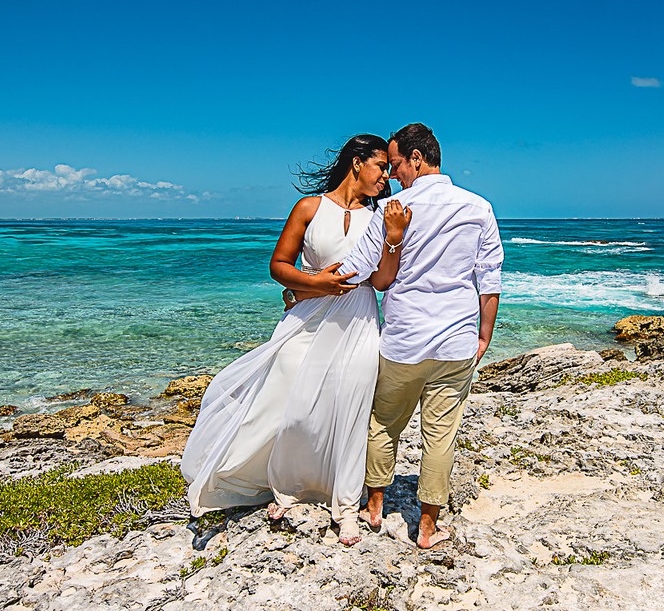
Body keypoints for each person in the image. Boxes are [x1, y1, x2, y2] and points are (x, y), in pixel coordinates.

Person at [181, 134, 395, 545]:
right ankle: (289, 484)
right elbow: (279, 265)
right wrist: (315, 285)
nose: (387, 176)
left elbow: (383, 280)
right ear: (357, 163)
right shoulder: (309, 208)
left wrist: (393, 237)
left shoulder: (382, 216)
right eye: (381, 167)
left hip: (359, 317)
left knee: (349, 406)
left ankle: (345, 504)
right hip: (307, 316)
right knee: (289, 401)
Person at [338, 123, 503, 549]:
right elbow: (489, 278)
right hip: (456, 340)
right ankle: (427, 528)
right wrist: (483, 336)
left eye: (395, 164)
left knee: (383, 423)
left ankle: (375, 507)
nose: (392, 174)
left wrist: (305, 286)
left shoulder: (391, 208)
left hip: (404, 339)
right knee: (441, 435)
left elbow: (357, 270)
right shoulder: (479, 207)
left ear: (416, 157)